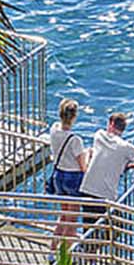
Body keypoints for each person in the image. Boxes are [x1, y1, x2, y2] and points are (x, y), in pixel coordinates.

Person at [77, 111, 134, 229]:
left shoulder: (99, 135)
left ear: (111, 124)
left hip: (87, 188)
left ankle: (89, 247)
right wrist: (129, 165)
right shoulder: (127, 147)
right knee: (115, 227)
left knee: (89, 228)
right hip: (105, 195)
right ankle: (94, 246)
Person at [47, 98, 89, 241]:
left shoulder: (53, 129)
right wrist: (88, 155)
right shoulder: (75, 139)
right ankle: (66, 255)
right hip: (73, 179)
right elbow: (83, 166)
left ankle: (52, 251)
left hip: (58, 175)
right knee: (72, 222)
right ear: (74, 117)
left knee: (63, 216)